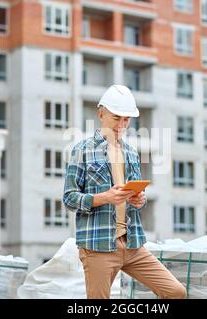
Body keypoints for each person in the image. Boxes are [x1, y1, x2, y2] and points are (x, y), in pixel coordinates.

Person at [63, 84, 186, 299]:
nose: (122, 125)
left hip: (132, 244)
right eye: (116, 118)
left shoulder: (131, 152)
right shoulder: (81, 150)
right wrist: (105, 198)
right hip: (98, 245)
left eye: (127, 120)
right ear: (101, 114)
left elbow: (132, 197)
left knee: (175, 292)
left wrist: (139, 200)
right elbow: (69, 198)